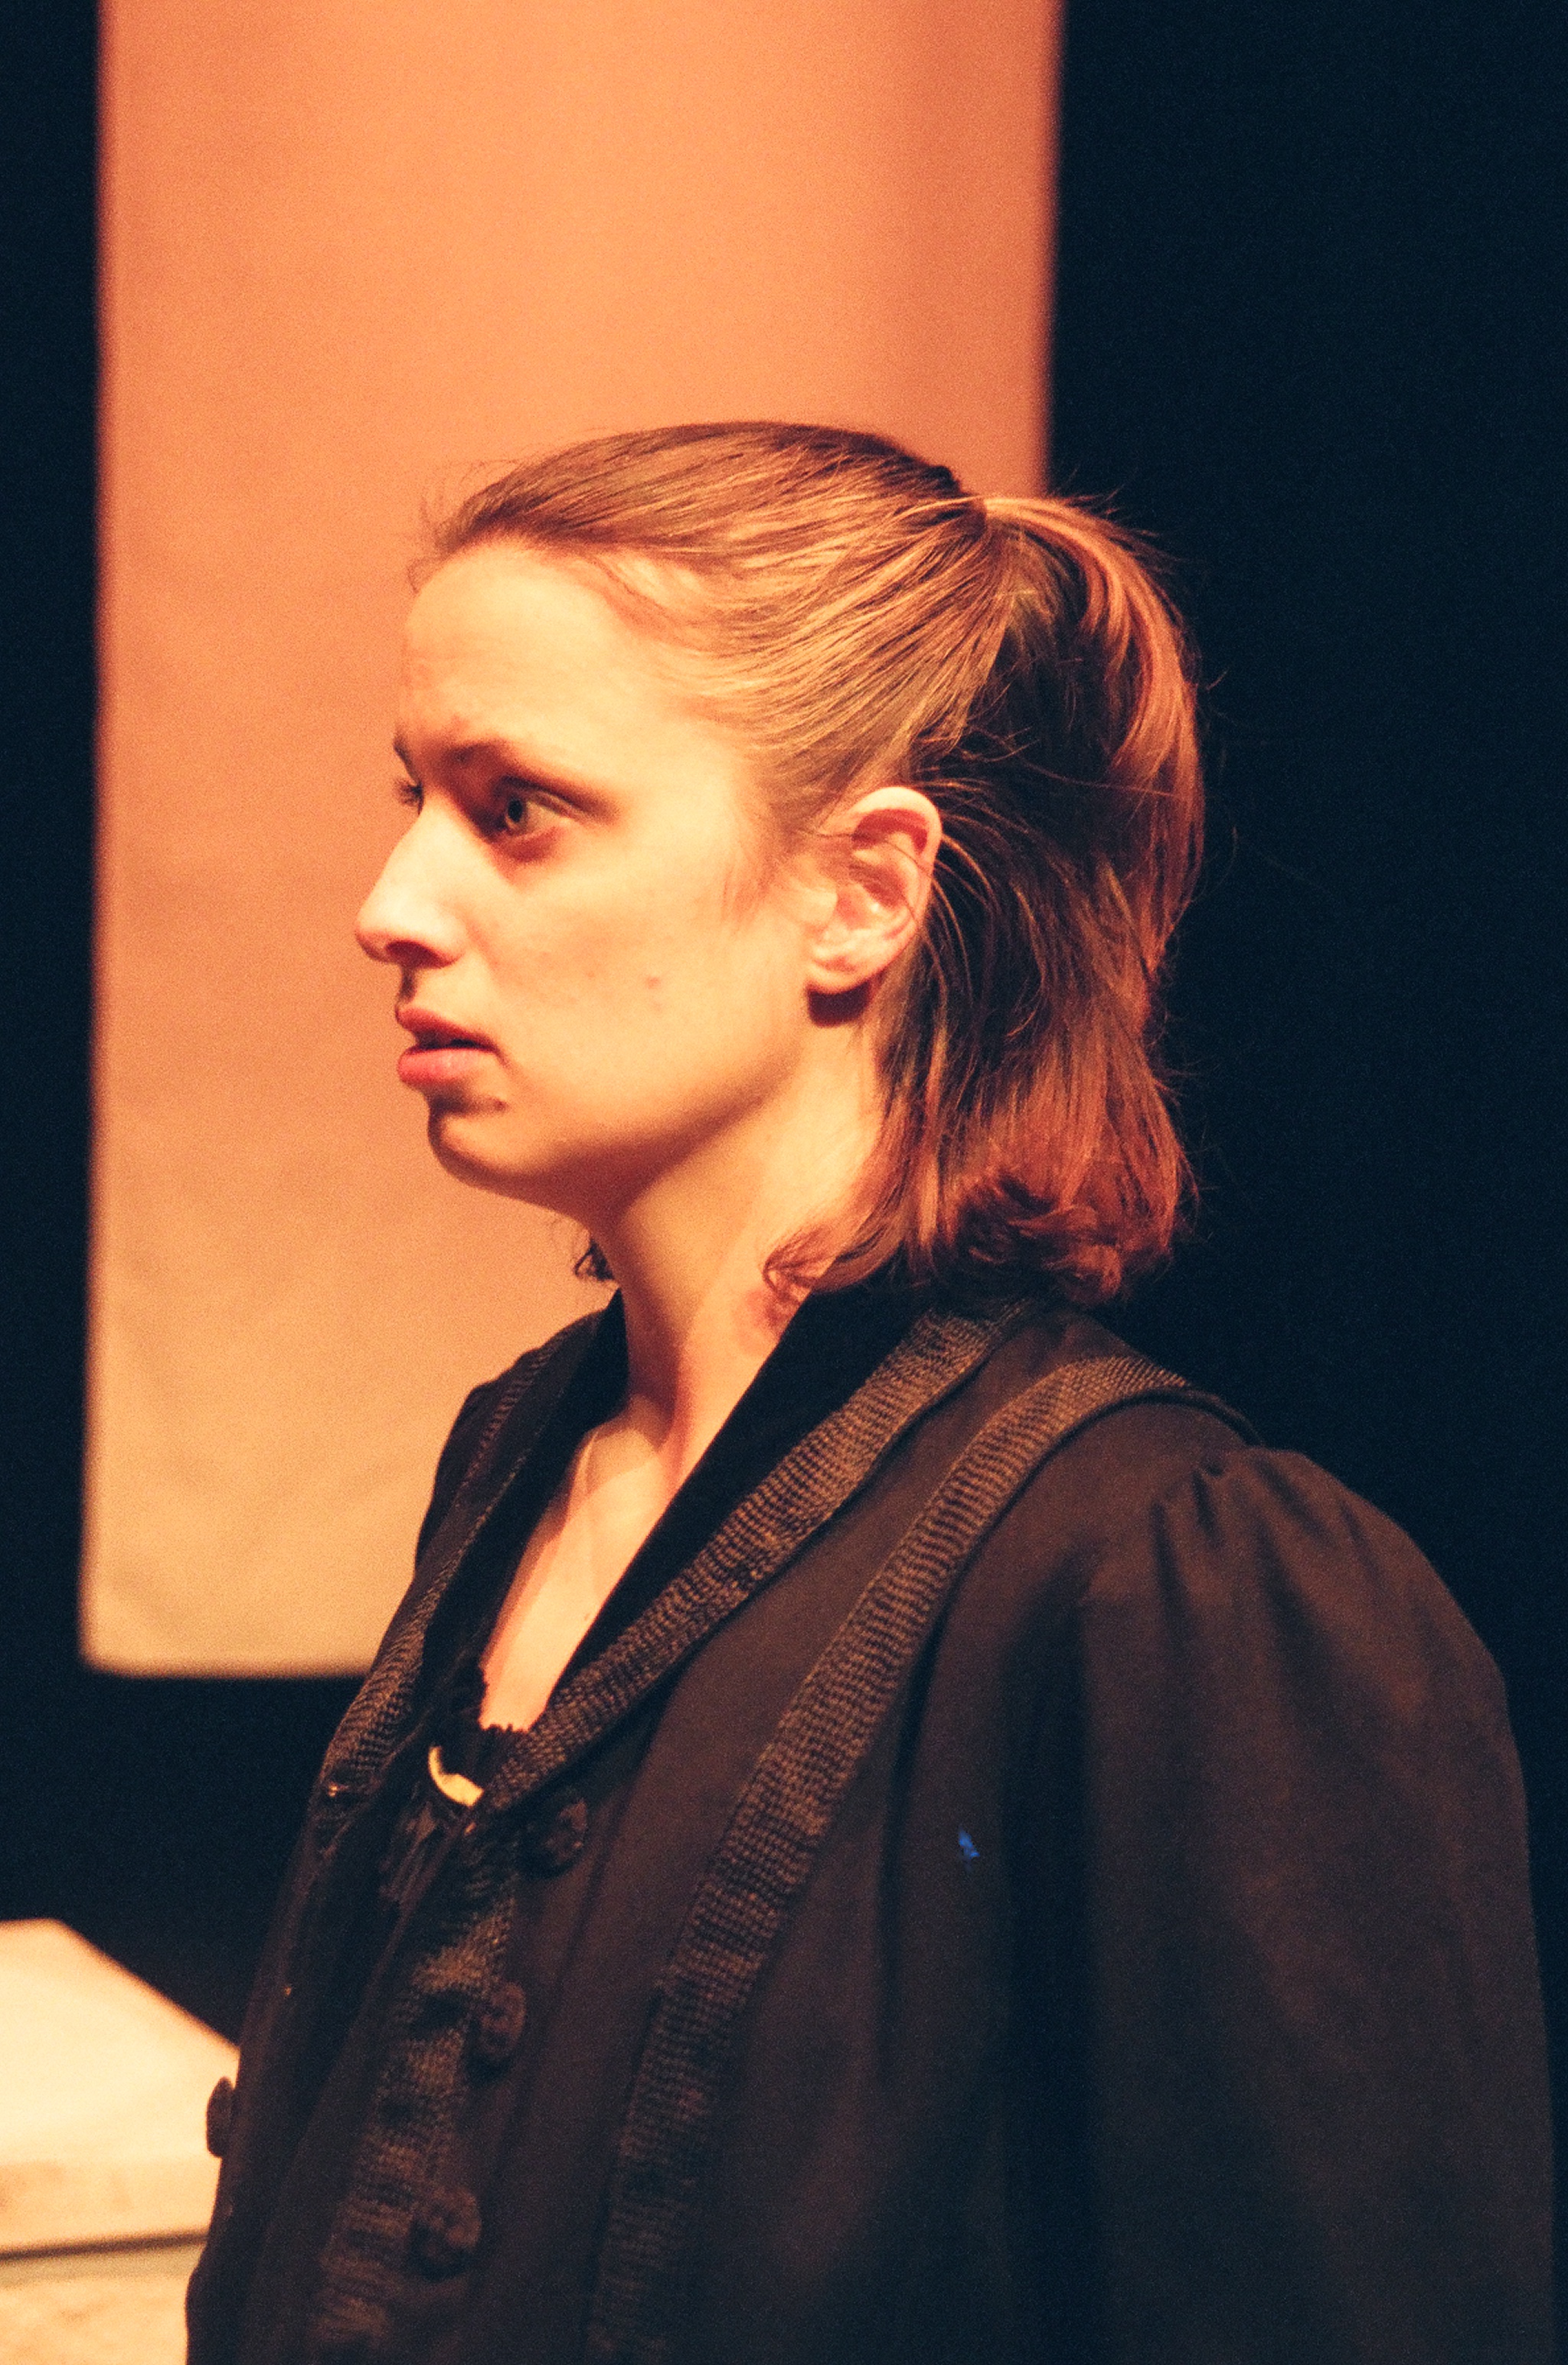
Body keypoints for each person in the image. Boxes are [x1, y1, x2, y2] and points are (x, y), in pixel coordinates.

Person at [186, 423, 1553, 2365]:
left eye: (519, 810)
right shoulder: (525, 1455)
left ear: (859, 893)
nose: (392, 901)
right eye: (416, 796)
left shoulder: (1168, 1584)